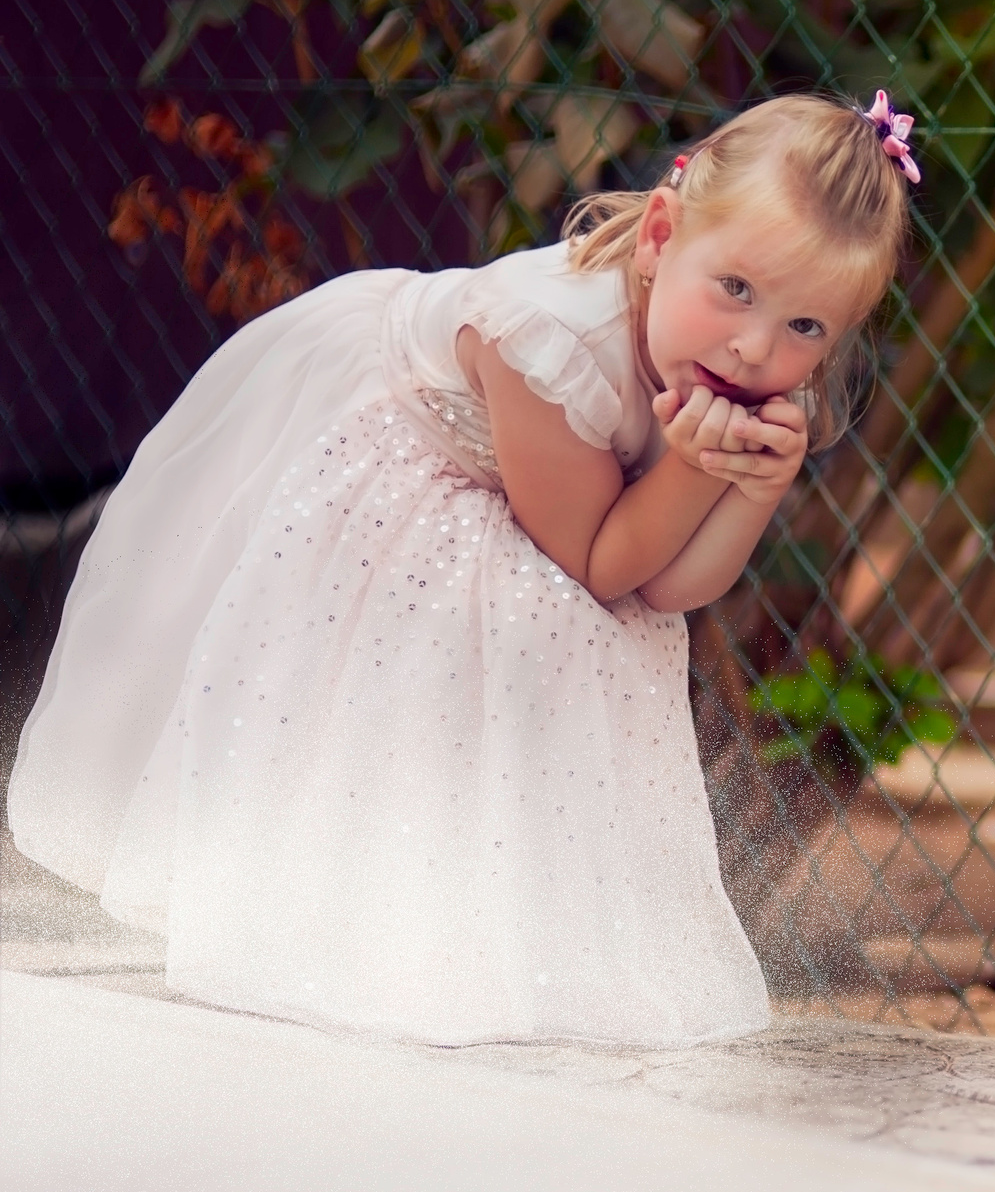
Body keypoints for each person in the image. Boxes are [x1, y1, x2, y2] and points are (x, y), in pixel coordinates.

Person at [7, 91, 922, 1046]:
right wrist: (696, 468)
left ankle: (517, 937)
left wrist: (754, 489)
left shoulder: (727, 371)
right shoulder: (547, 337)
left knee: (618, 634)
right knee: (531, 620)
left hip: (563, 510)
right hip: (400, 454)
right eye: (735, 288)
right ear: (660, 234)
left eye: (806, 328)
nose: (756, 346)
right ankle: (360, 916)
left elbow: (668, 591)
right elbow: (599, 566)